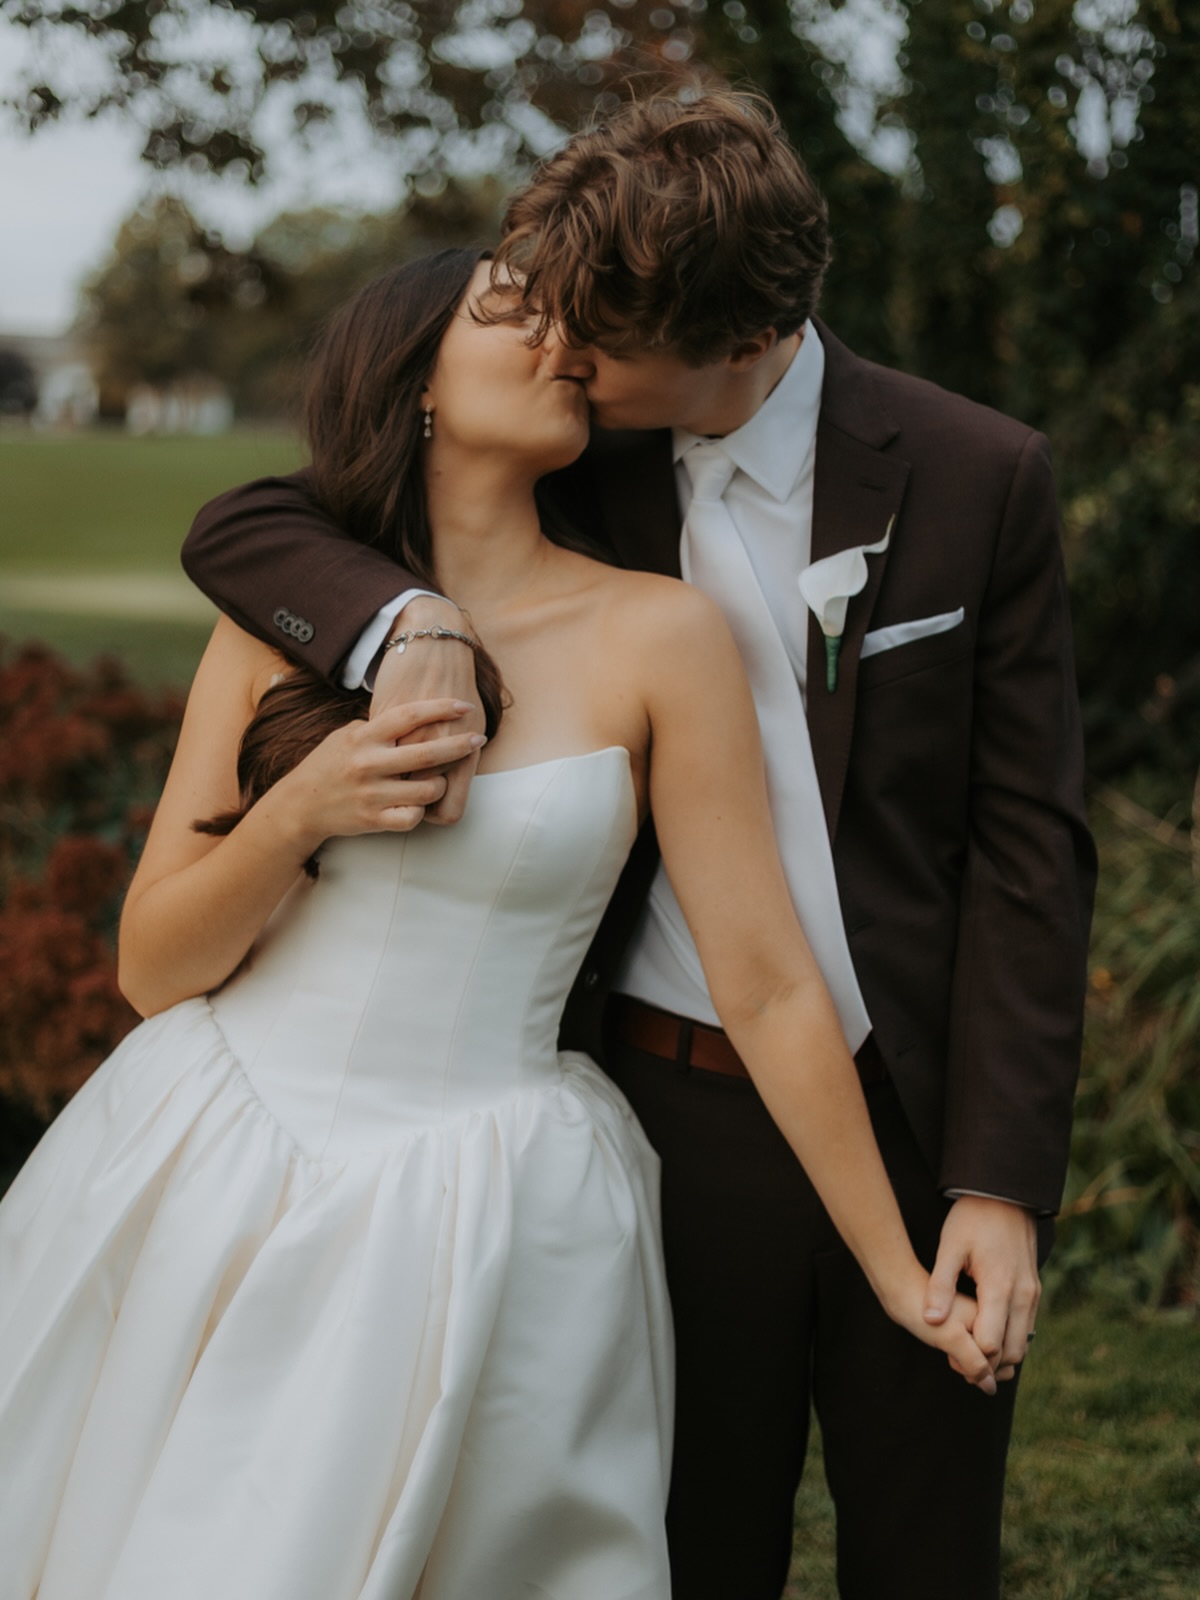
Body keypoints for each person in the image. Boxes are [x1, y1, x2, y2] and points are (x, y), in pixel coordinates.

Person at [180, 90, 1097, 1600]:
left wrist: (1000, 1180)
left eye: (602, 343)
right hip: (667, 1111)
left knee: (931, 1551)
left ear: (736, 340)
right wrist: (400, 620)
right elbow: (250, 525)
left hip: (919, 1110)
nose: (562, 356)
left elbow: (1029, 850)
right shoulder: (580, 450)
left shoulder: (975, 471)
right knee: (675, 1548)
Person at [0, 250, 993, 1600]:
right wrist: (302, 813)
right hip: (227, 1154)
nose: (562, 342)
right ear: (413, 385)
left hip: (491, 1192)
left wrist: (898, 1269)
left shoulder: (662, 637)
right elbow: (151, 966)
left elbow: (764, 980)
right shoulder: (279, 627)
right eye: (511, 315)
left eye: (568, 321)